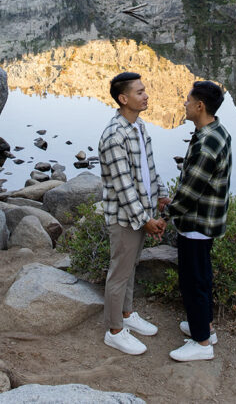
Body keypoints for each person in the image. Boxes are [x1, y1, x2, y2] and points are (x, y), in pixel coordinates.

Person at [98, 71, 168, 355]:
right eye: (139, 92)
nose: (146, 95)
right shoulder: (115, 135)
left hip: (141, 213)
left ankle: (127, 315)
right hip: (126, 218)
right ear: (123, 98)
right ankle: (114, 331)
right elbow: (123, 184)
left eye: (144, 90)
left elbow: (149, 169)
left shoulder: (139, 127)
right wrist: (145, 220)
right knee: (119, 272)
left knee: (131, 267)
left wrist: (161, 193)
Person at [163, 80, 231, 362]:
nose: (184, 104)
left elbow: (191, 191)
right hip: (208, 220)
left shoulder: (205, 144)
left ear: (200, 106)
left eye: (188, 101)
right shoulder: (216, 130)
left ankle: (201, 343)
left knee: (192, 281)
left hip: (196, 223)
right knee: (202, 276)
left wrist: (167, 213)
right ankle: (205, 326)